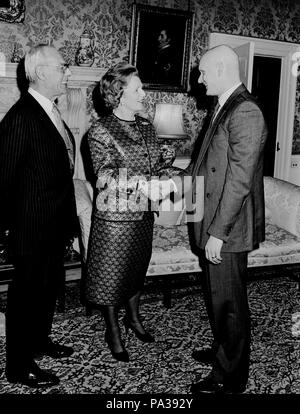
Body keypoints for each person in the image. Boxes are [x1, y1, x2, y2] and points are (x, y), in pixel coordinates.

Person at [85, 62, 181, 362]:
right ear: (119, 93)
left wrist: (173, 174)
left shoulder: (146, 126)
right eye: (138, 89)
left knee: (136, 271)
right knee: (112, 277)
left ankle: (134, 318)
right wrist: (144, 184)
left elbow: (157, 168)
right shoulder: (101, 130)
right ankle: (113, 329)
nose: (144, 94)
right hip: (115, 219)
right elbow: (105, 174)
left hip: (142, 217)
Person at [188, 45, 268, 394]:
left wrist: (218, 233)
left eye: (204, 73)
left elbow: (239, 181)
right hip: (213, 219)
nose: (200, 79)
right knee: (218, 297)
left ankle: (229, 377)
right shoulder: (224, 106)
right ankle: (224, 349)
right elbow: (205, 161)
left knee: (230, 303)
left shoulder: (245, 110)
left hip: (228, 227)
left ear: (221, 69)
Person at [0, 45, 79, 388]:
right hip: (30, 226)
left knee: (47, 288)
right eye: (62, 67)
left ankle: (40, 341)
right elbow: (2, 179)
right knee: (26, 294)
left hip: (54, 223)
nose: (68, 72)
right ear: (42, 72)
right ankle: (18, 366)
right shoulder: (21, 117)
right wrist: (5, 233)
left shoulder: (50, 111)